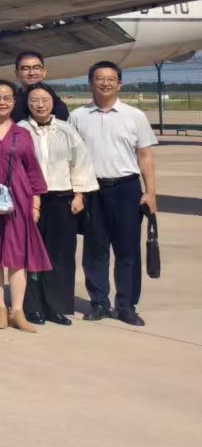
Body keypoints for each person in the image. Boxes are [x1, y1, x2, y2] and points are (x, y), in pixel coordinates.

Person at [72, 61, 158, 325]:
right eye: (99, 78)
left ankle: (126, 305)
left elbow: (145, 156)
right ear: (90, 83)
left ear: (119, 84)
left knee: (127, 250)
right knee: (95, 250)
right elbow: (73, 158)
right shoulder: (78, 116)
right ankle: (98, 303)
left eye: (111, 79)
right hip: (93, 190)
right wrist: (78, 193)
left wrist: (151, 192)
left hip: (126, 189)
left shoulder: (134, 116)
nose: (105, 83)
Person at [0, 80, 50, 332]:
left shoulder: (22, 133)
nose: (2, 102)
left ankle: (18, 310)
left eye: (7, 98)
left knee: (18, 256)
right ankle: (0, 308)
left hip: (19, 201)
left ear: (14, 102)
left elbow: (32, 169)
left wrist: (35, 203)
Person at [19, 82, 95, 326]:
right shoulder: (20, 130)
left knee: (61, 254)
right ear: (27, 104)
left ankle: (56, 306)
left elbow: (80, 163)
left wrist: (79, 194)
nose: (40, 105)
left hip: (61, 199)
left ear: (53, 103)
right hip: (30, 200)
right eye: (34, 100)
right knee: (30, 253)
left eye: (45, 100)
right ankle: (32, 306)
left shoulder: (66, 129)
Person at [11, 51, 70, 123]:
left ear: (44, 72)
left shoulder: (56, 103)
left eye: (36, 68)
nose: (31, 73)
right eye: (25, 68)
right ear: (17, 73)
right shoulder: (10, 103)